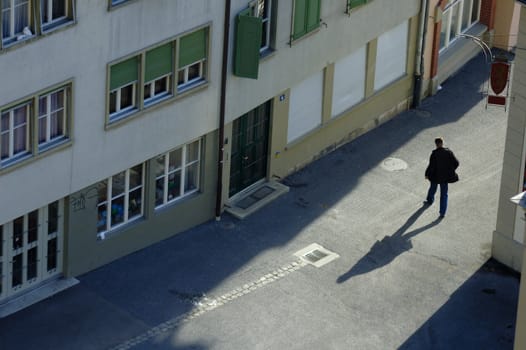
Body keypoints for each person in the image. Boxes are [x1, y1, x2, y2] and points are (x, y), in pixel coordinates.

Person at [424, 137, 459, 218]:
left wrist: (427, 174)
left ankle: (430, 200)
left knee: (433, 188)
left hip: (435, 176)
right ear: (442, 143)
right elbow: (456, 163)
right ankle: (442, 213)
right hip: (445, 177)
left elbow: (431, 166)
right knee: (444, 194)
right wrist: (450, 171)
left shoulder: (434, 154)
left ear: (436, 144)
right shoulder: (449, 152)